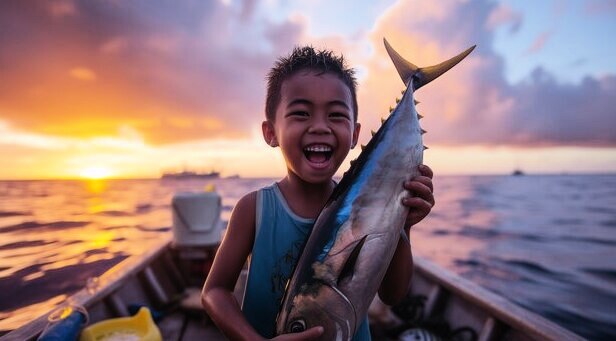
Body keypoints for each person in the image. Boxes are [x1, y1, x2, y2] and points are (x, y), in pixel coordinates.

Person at [201, 46, 435, 340]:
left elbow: (392, 295)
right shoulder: (254, 209)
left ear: (354, 134)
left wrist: (401, 223)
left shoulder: (369, 208)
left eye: (336, 115)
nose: (320, 127)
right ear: (270, 132)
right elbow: (214, 291)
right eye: (301, 113)